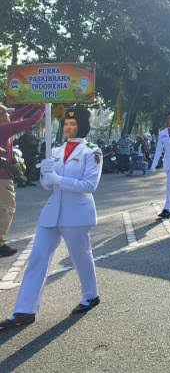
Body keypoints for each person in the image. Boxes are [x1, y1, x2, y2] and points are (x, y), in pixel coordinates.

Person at [0, 108, 103, 330]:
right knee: (37, 257)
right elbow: (48, 186)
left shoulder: (92, 151)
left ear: (83, 126)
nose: (68, 127)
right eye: (66, 123)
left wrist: (57, 177)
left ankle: (90, 295)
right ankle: (24, 310)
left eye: (73, 124)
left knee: (81, 257)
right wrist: (45, 176)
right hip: (52, 211)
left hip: (77, 212)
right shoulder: (54, 149)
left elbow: (90, 185)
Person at [0, 104, 45, 258]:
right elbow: (30, 121)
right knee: (7, 209)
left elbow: (17, 114)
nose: (10, 116)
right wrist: (44, 107)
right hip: (2, 178)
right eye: (6, 113)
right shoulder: (4, 129)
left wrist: (34, 104)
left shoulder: (4, 125)